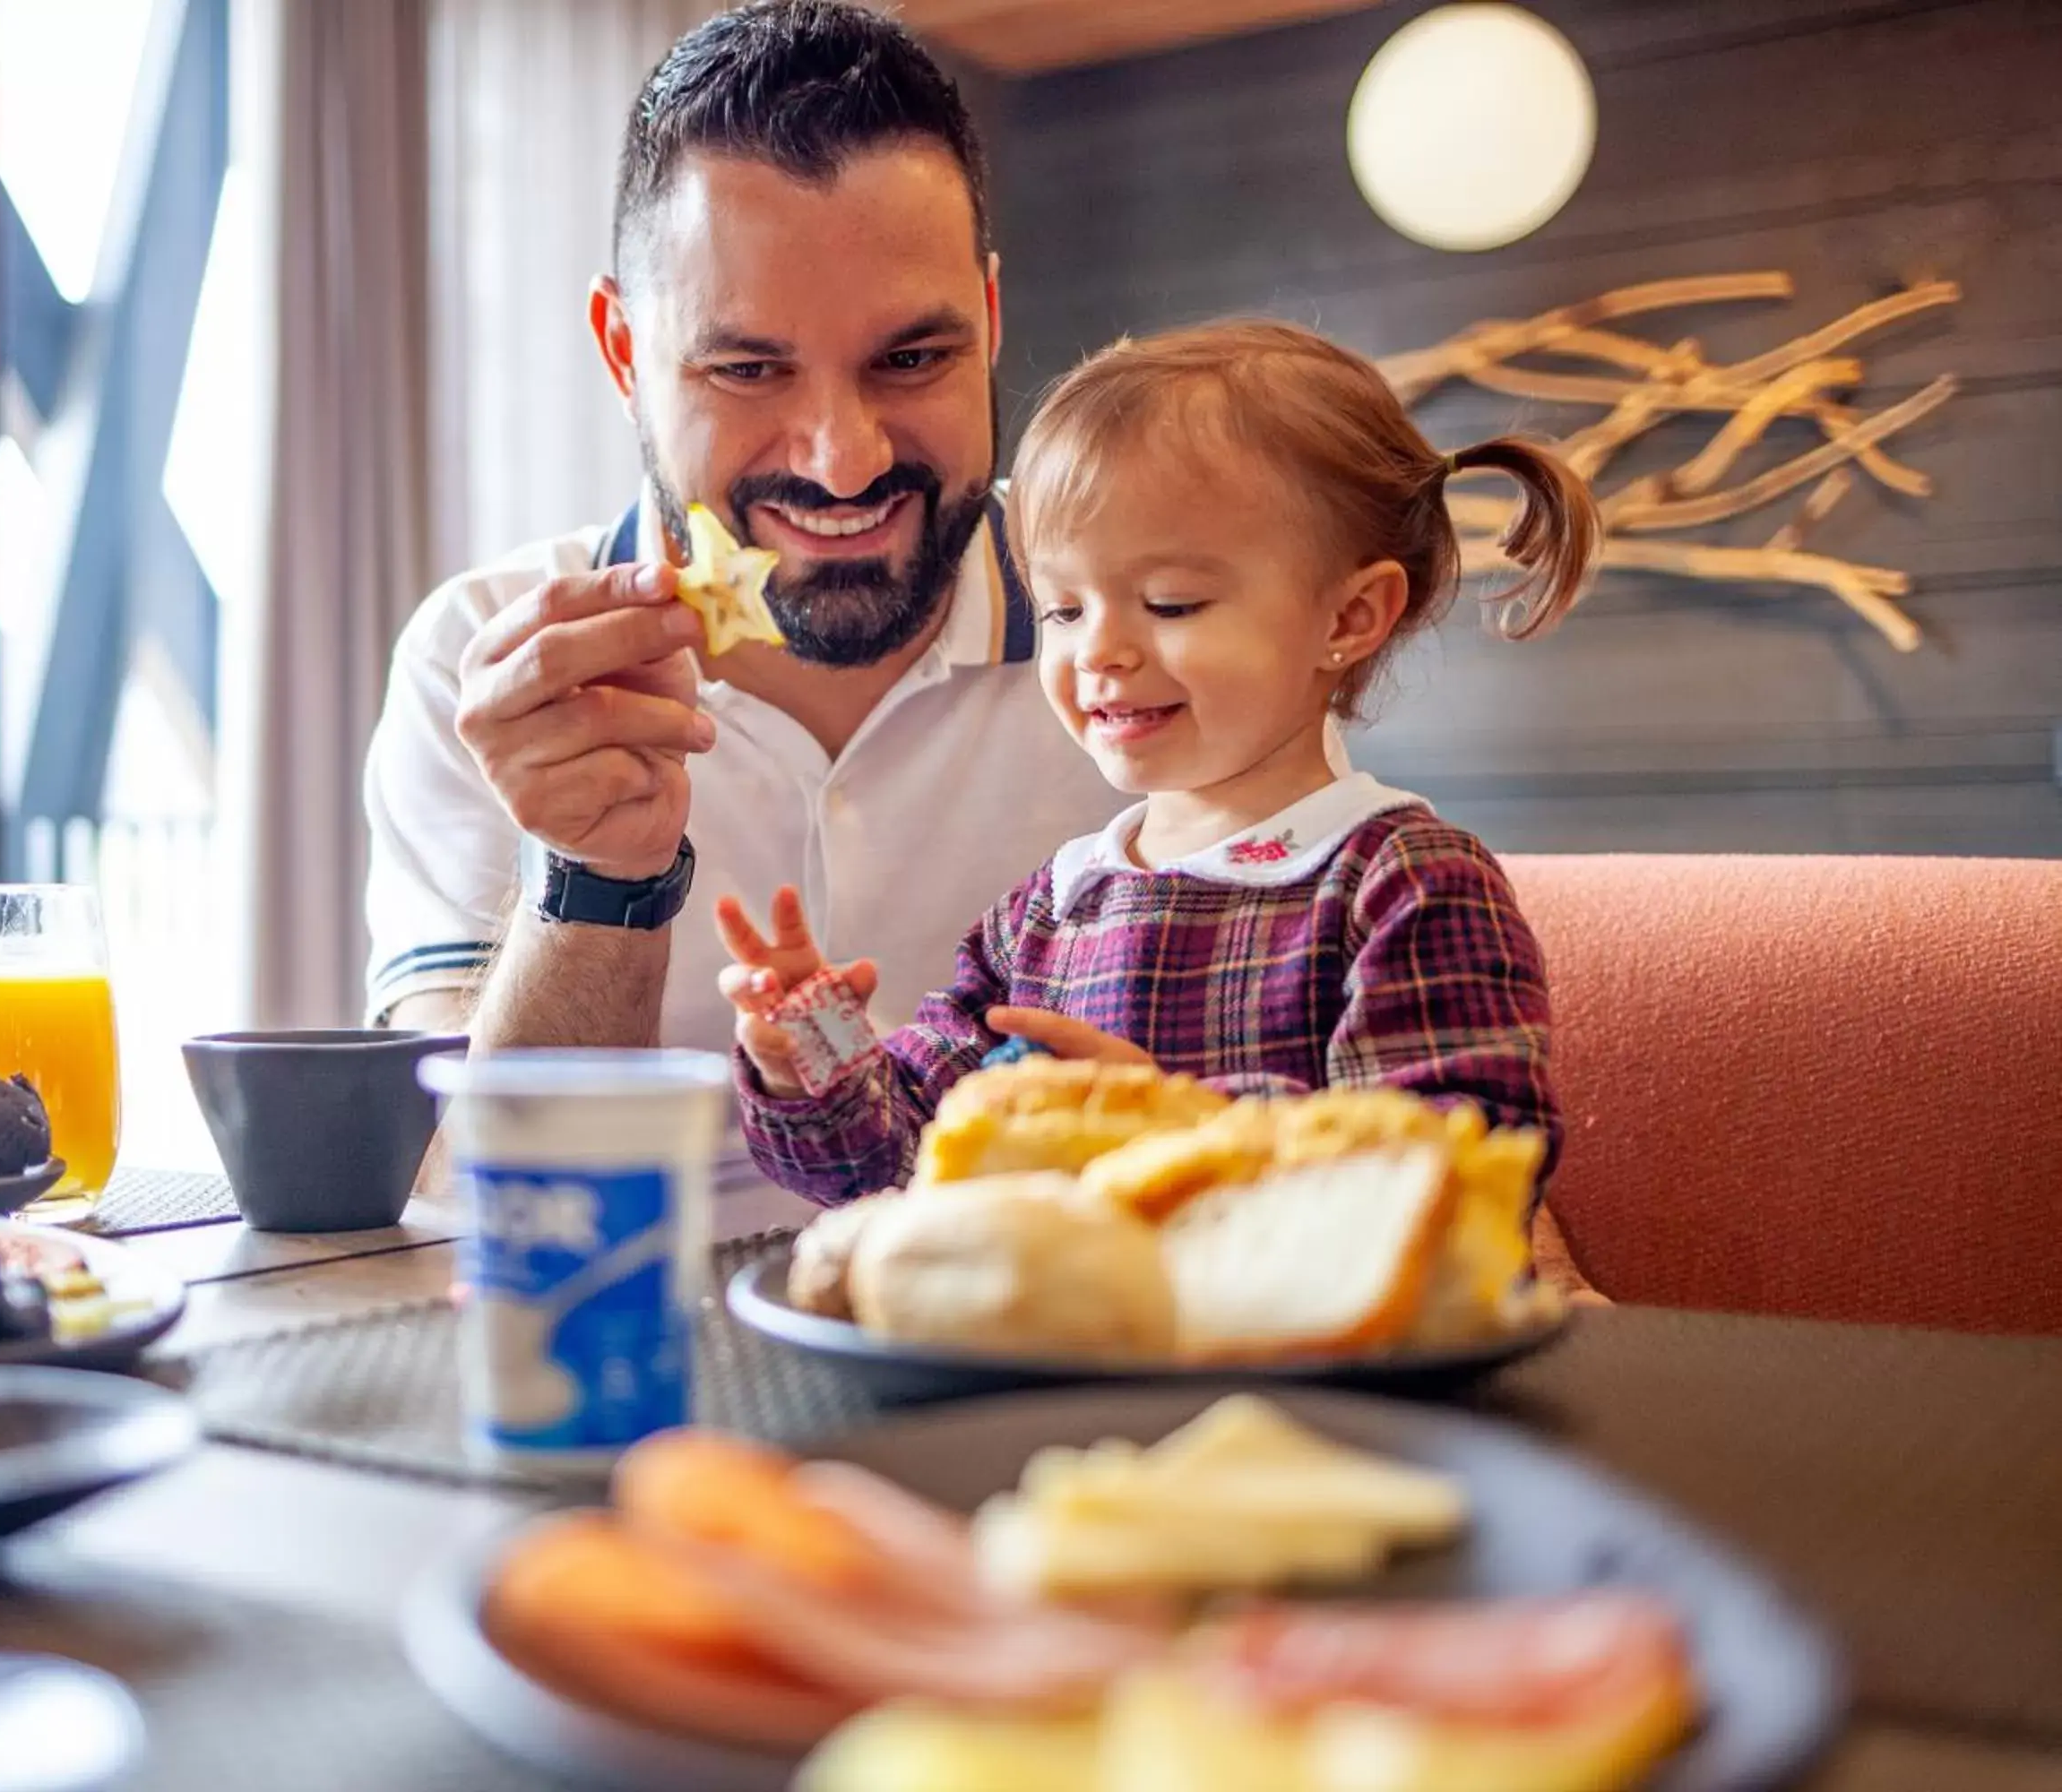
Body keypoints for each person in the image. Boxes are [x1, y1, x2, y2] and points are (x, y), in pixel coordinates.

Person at [362, 2, 1134, 1064]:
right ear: (624, 351)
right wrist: (598, 878)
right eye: (748, 368)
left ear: (990, 321)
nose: (844, 459)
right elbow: (458, 1172)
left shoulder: (1162, 621)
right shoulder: (486, 660)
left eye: (911, 360)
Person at [717, 322, 1597, 1204]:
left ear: (1350, 617)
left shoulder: (1399, 882)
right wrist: (815, 1046)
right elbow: (897, 1157)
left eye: (1170, 602)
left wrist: (1181, 1125)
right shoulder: (1047, 916)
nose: (1099, 650)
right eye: (1063, 610)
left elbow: (1465, 1169)